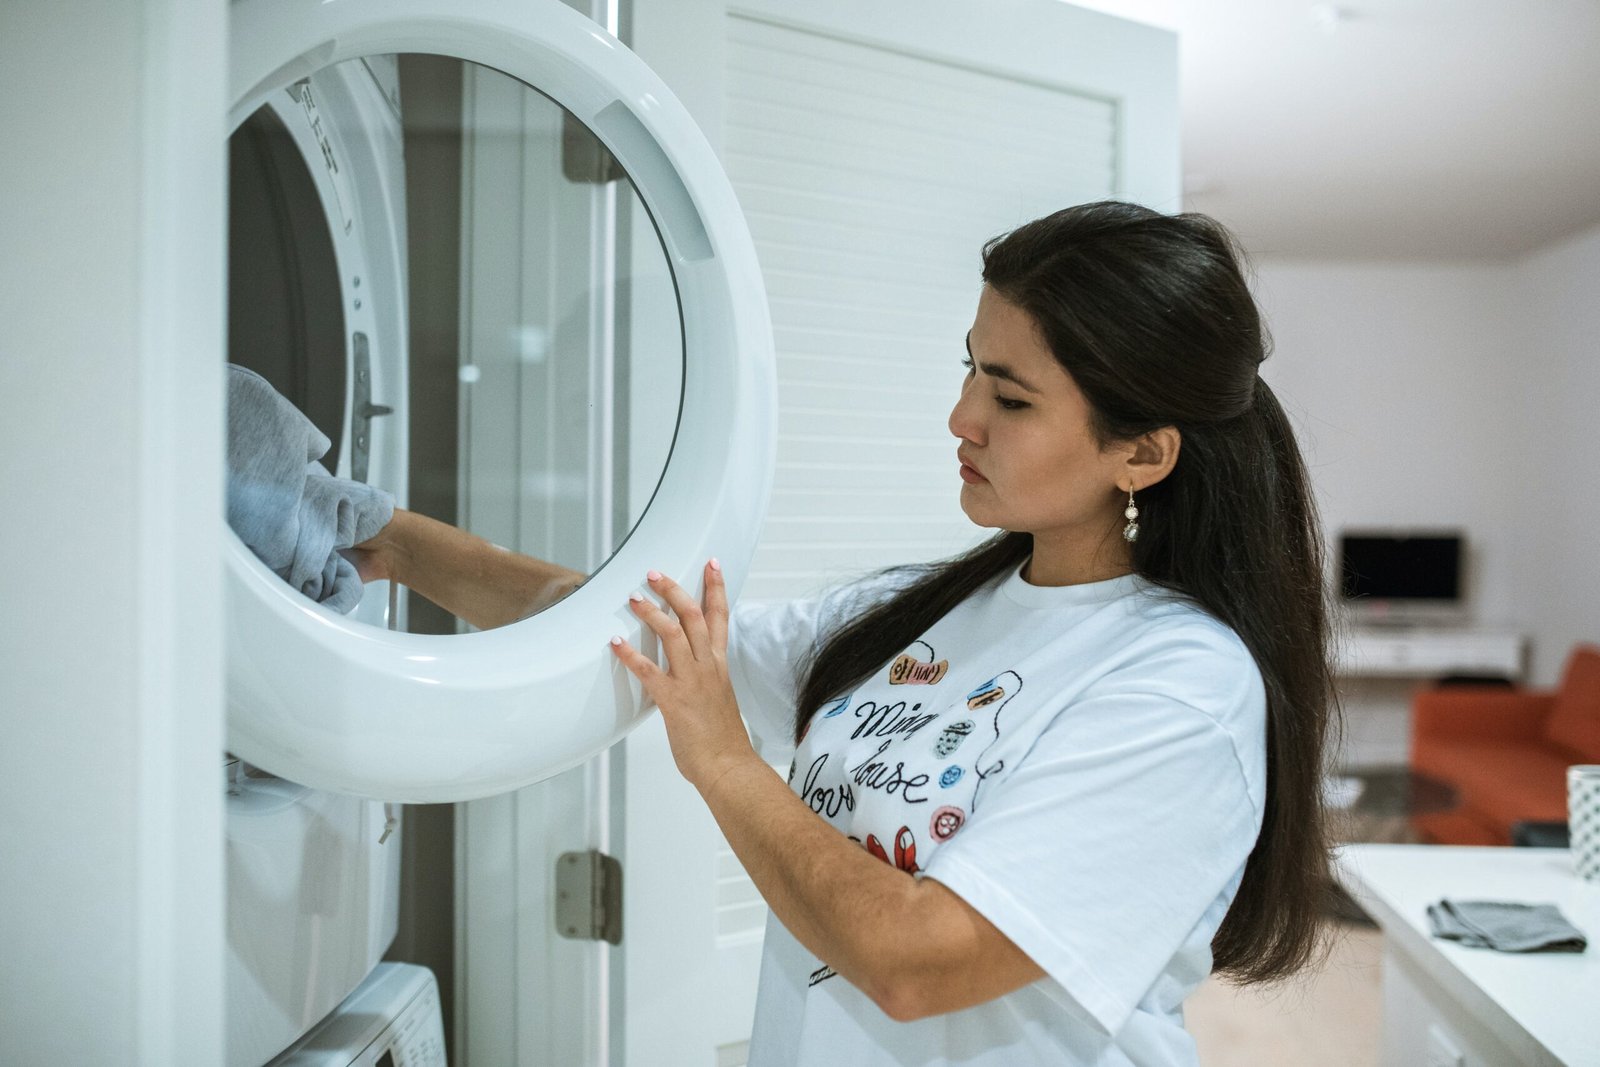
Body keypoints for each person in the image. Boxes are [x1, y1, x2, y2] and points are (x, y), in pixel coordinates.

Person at [356, 200, 1339, 1066]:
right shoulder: (920, 612)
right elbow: (629, 627)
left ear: (1140, 451)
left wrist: (726, 761)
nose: (961, 416)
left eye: (1010, 396)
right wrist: (384, 536)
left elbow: (915, 962)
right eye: (969, 368)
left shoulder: (1179, 689)